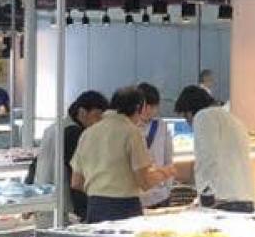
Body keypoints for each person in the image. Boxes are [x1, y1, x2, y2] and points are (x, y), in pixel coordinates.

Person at [70, 85, 177, 223]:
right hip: (124, 207)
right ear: (137, 109)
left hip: (94, 206)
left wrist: (101, 190)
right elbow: (144, 182)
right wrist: (168, 171)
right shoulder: (131, 132)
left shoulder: (88, 133)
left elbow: (76, 182)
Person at [174, 84, 255, 212]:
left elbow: (207, 159)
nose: (189, 123)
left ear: (190, 110)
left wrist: (205, 194)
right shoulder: (234, 120)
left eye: (186, 117)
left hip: (223, 200)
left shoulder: (203, 116)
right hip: (246, 197)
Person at [30, 90, 108, 218]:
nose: (98, 122)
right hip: (64, 205)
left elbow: (35, 163)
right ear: (82, 112)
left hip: (45, 201)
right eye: (96, 116)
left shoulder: (53, 128)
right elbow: (76, 176)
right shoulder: (74, 133)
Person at [137, 82, 174, 208]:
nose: (149, 110)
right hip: (136, 197)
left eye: (153, 106)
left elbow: (168, 159)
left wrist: (167, 188)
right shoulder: (128, 127)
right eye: (146, 105)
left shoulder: (162, 126)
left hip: (160, 195)